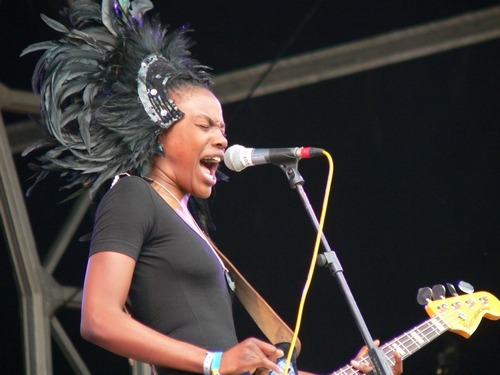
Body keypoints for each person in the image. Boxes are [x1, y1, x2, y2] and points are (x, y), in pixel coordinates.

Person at [23, 1, 403, 374]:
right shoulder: (133, 195)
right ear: (159, 136)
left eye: (222, 128)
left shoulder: (189, 223)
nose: (222, 139)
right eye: (205, 126)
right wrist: (215, 362)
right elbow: (98, 318)